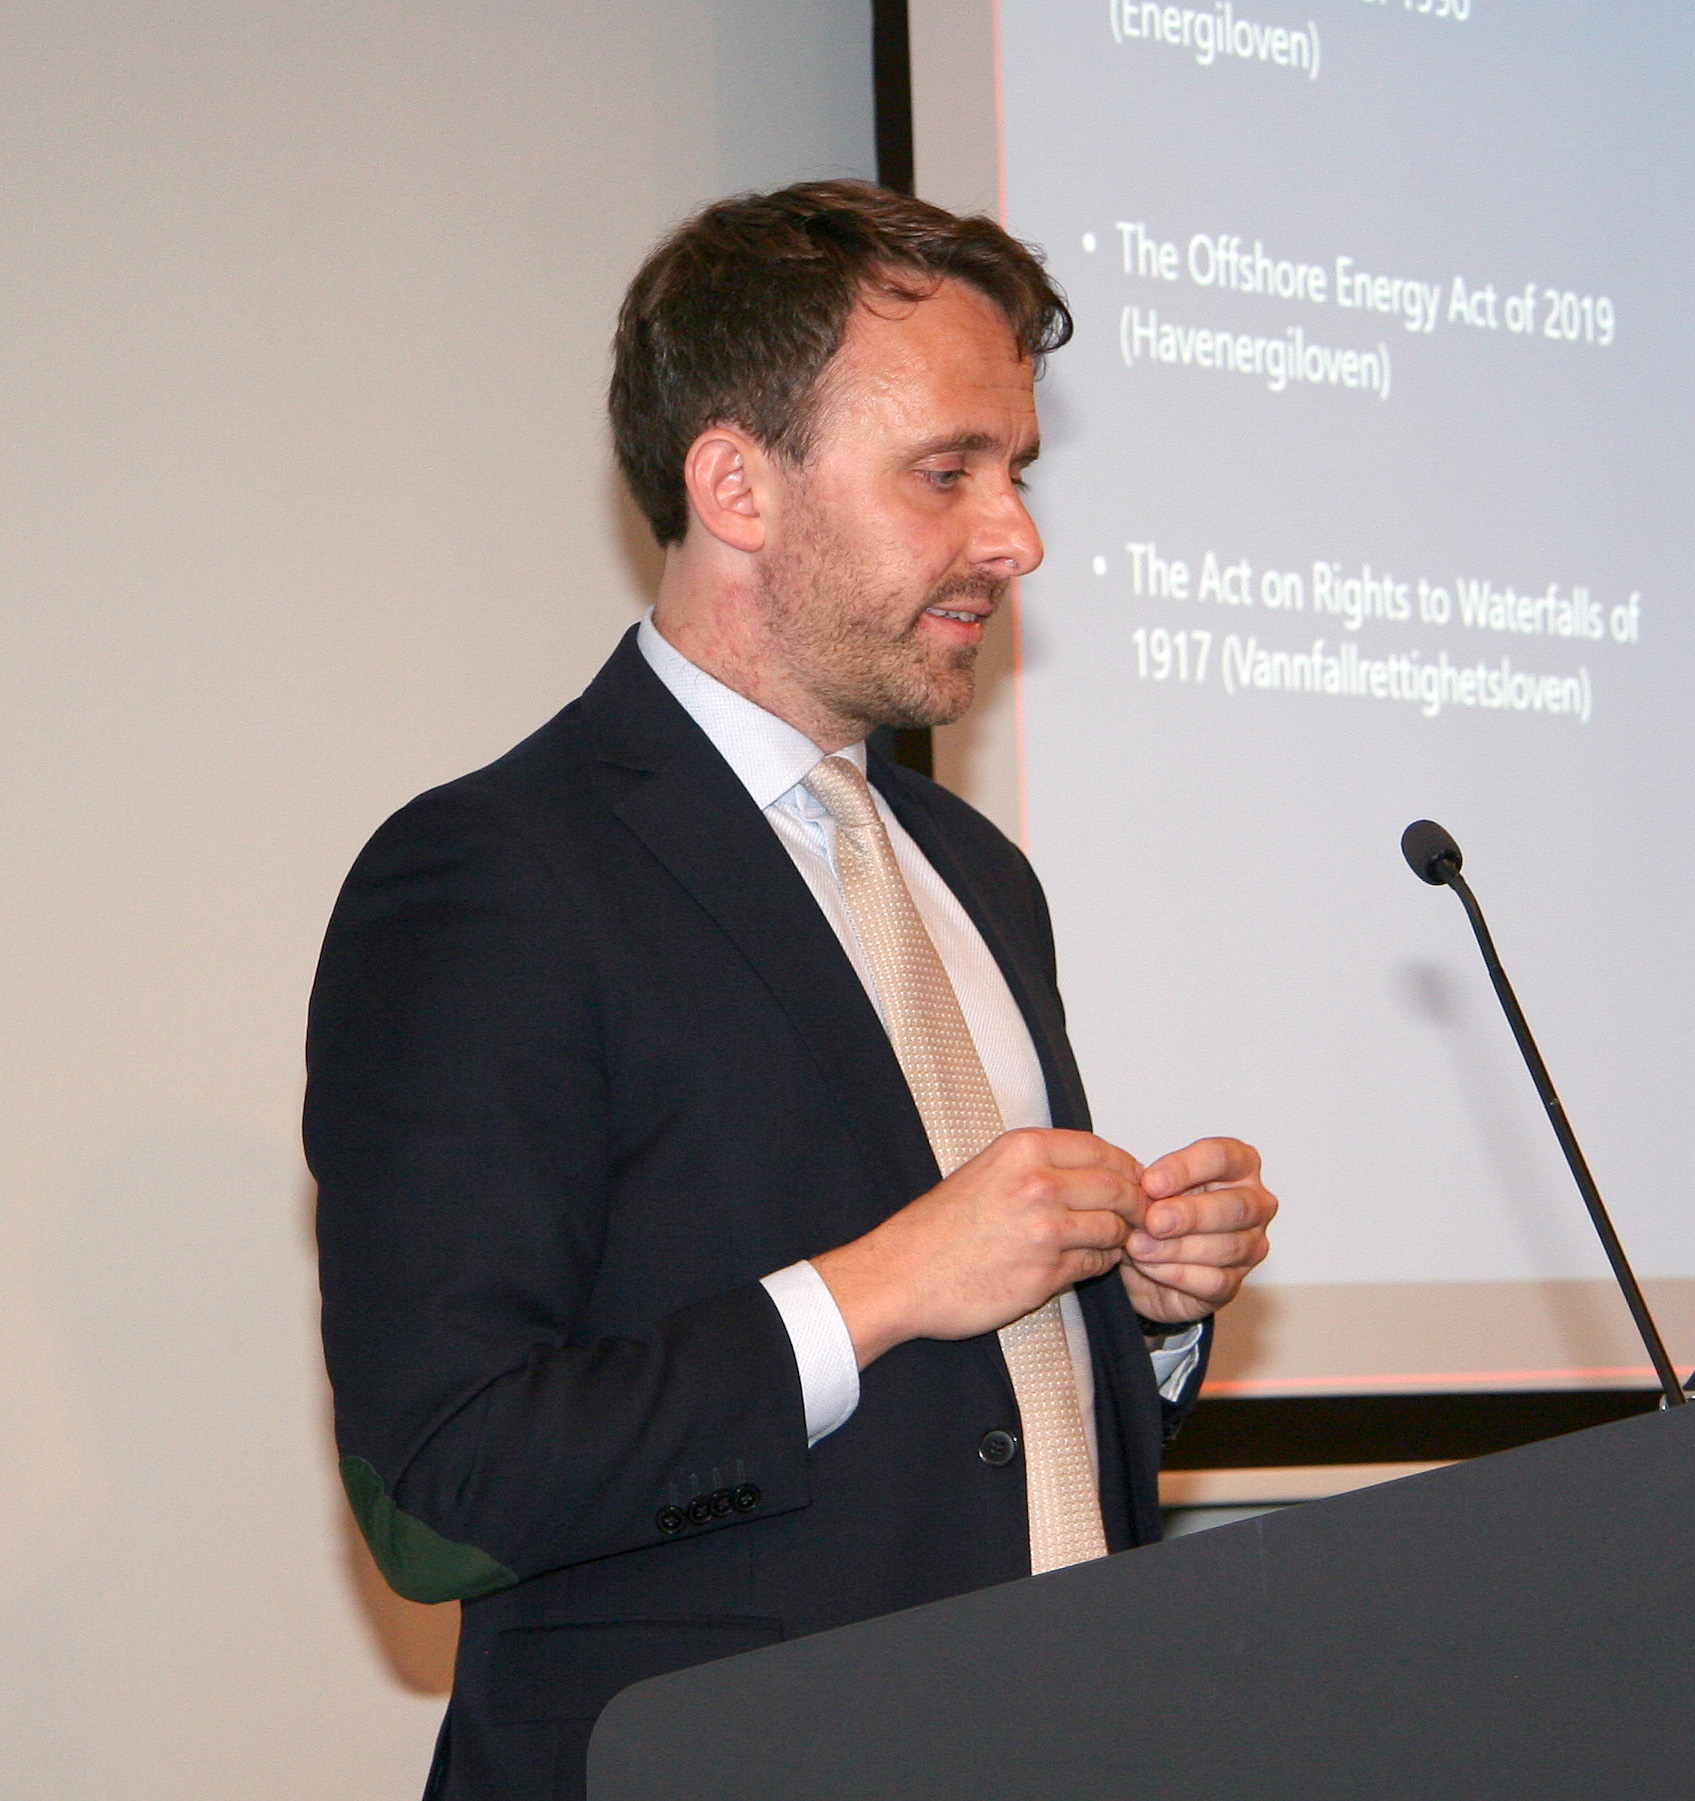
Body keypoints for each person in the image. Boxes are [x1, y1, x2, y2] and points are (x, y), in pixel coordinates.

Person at [307, 180, 1276, 1801]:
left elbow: (978, 1443)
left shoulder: (977, 874)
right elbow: (442, 1482)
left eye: (1018, 472)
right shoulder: (494, 875)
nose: (1018, 538)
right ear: (736, 485)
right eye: (947, 471)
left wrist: (1142, 1315)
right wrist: (880, 1283)